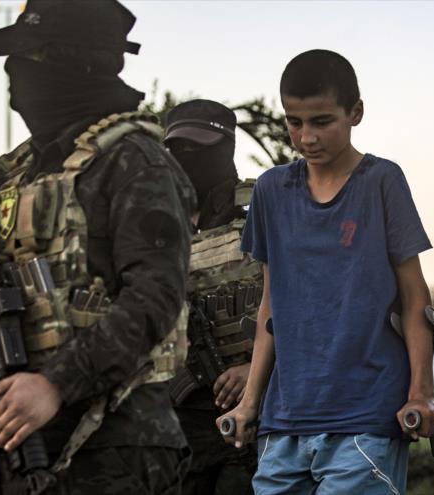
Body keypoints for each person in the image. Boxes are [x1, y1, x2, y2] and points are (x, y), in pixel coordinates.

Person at [0, 0, 195, 492]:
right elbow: (12, 275)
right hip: (21, 429)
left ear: (77, 65)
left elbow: (155, 297)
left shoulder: (135, 162)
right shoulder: (27, 167)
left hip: (116, 444)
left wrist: (56, 384)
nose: (14, 74)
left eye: (31, 59)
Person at [217, 49, 434, 495]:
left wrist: (422, 392)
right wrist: (249, 402)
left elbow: (416, 299)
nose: (306, 138)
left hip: (366, 415)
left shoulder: (382, 182)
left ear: (355, 112)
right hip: (284, 421)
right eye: (294, 123)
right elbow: (271, 306)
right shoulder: (270, 191)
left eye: (322, 122)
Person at [164, 99, 258, 495]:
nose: (187, 159)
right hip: (184, 418)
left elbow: (306, 301)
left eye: (199, 149)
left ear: (226, 147)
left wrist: (255, 370)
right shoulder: (160, 220)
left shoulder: (260, 205)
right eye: (178, 150)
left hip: (259, 406)